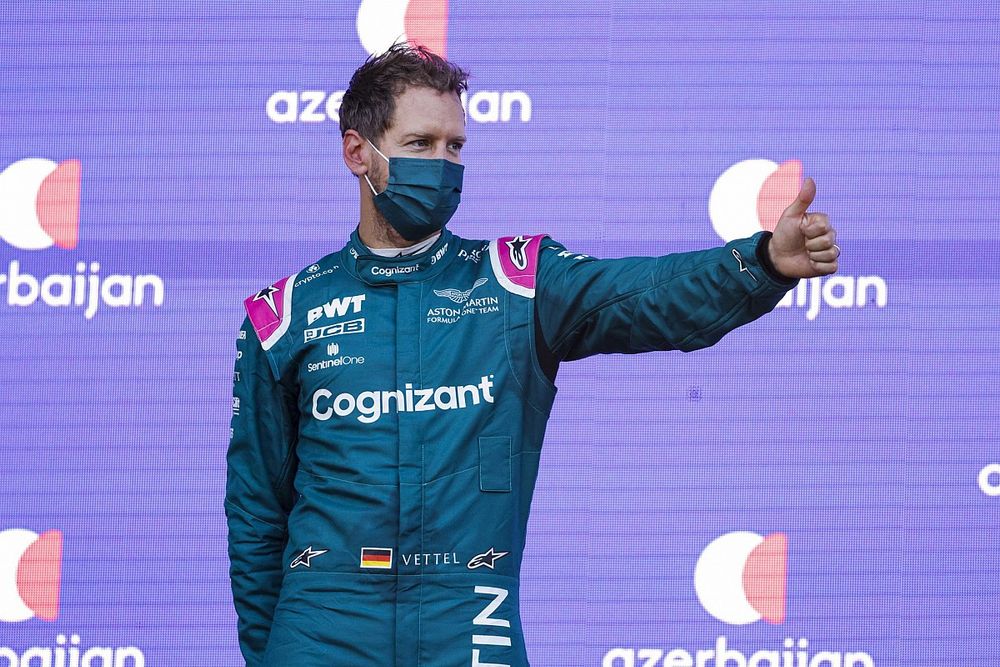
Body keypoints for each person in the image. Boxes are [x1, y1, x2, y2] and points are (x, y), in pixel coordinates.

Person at [226, 43, 839, 666]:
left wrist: (759, 263)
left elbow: (644, 295)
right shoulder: (283, 314)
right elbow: (255, 514)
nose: (442, 165)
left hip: (468, 620)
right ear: (358, 151)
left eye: (455, 147)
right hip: (322, 628)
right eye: (420, 145)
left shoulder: (514, 282)